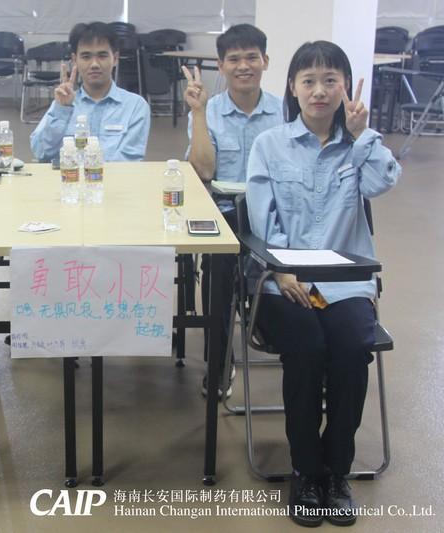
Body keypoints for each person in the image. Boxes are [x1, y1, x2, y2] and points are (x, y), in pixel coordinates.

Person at [246, 41, 400, 527]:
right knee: (308, 348)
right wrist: (281, 269)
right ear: (292, 87)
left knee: (353, 348)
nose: (319, 90)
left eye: (330, 80)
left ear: (345, 88)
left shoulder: (358, 145)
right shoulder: (269, 145)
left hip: (346, 286)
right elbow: (262, 219)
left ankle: (336, 471)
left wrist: (362, 135)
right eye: (308, 80)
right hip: (286, 282)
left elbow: (382, 183)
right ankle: (305, 471)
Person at [183, 23, 283, 398]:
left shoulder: (285, 112)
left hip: (274, 218)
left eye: (251, 57)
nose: (244, 66)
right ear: (221, 65)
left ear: (265, 61)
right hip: (225, 215)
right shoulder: (208, 111)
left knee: (294, 266)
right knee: (219, 269)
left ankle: (295, 345)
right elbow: (203, 171)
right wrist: (197, 114)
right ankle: (219, 365)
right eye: (234, 59)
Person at [30, 21, 151, 163]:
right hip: (69, 177)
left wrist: (89, 171)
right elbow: (40, 152)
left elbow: (129, 161)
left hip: (111, 178)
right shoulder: (63, 104)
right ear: (75, 60)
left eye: (102, 56)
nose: (94, 64)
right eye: (86, 57)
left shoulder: (135, 106)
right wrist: (61, 110)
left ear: (115, 59)